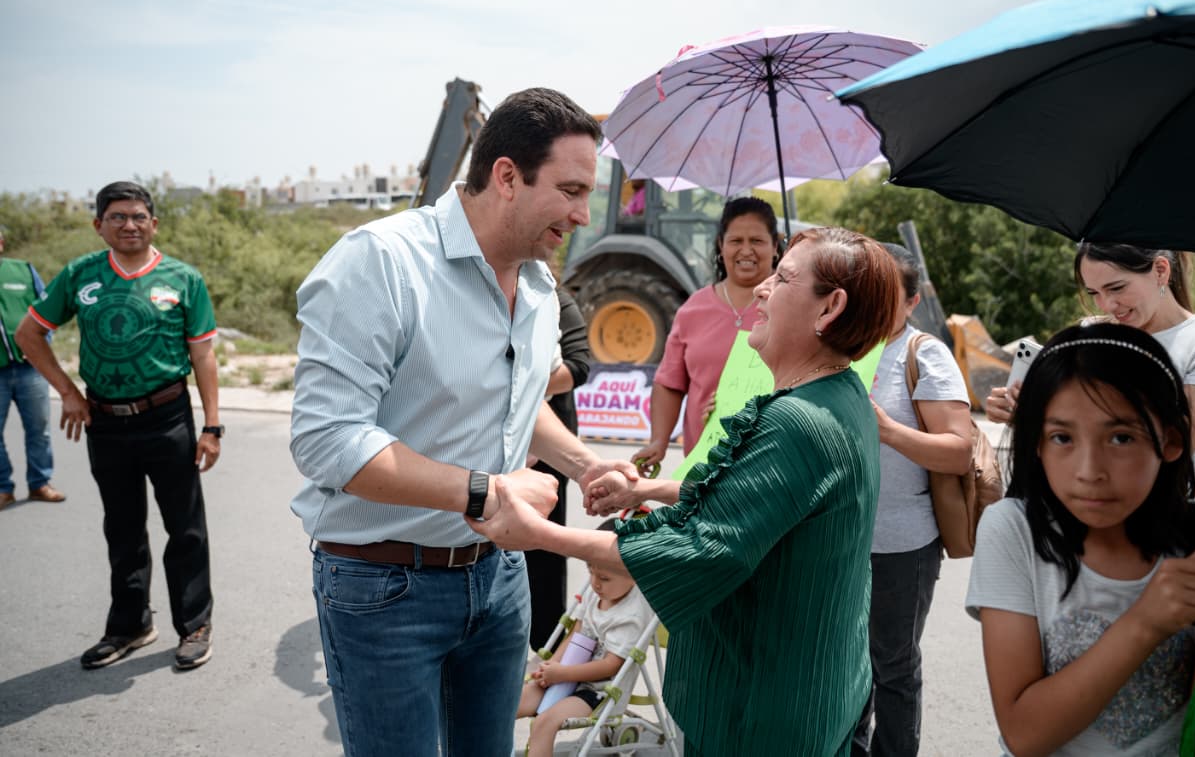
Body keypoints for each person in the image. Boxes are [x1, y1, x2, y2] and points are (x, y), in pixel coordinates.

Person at [290, 88, 636, 757]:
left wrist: (586, 465)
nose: (581, 214)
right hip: (385, 586)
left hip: (499, 580)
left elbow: (518, 399)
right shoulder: (381, 263)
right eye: (569, 190)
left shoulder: (535, 283)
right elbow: (328, 439)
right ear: (506, 175)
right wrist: (488, 491)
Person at [470, 227, 901, 757]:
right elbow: (746, 498)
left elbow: (699, 550)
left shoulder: (798, 421)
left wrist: (539, 533)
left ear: (829, 308)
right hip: (808, 688)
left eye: (783, 277)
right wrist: (645, 489)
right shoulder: (836, 394)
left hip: (763, 710)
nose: (762, 288)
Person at [965, 323, 1195, 756]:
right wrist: (1145, 623)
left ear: (1170, 441)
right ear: (1036, 443)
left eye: (1121, 437)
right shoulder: (1013, 530)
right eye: (1062, 438)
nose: (1089, 470)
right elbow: (1024, 734)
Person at [16, 181, 223, 671]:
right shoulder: (79, 275)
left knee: (185, 528)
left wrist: (212, 426)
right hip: (105, 421)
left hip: (168, 417)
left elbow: (203, 354)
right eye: (117, 217)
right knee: (122, 528)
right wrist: (67, 392)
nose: (129, 225)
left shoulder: (182, 278)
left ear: (153, 223)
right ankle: (130, 626)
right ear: (99, 225)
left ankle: (194, 625)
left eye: (138, 216)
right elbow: (29, 334)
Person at [852, 244, 972, 757]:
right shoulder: (842, 344)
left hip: (902, 543)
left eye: (887, 294)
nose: (873, 303)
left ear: (912, 300)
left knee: (892, 666)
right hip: (841, 538)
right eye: (865, 289)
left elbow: (958, 452)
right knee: (845, 667)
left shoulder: (924, 354)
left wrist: (888, 431)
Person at [985, 243, 1195, 457]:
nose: (1107, 305)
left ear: (1161, 270)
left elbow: (1174, 447)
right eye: (1094, 292)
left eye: (1117, 288)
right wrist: (1024, 411)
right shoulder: (1089, 331)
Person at [632, 196, 780, 469]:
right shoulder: (694, 309)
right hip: (704, 466)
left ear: (775, 245)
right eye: (736, 241)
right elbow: (670, 382)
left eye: (757, 241)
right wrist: (658, 441)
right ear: (721, 246)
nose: (746, 250)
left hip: (772, 462)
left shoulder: (791, 305)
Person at [517, 551, 654, 757]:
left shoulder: (631, 615)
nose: (595, 583)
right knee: (511, 701)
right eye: (591, 572)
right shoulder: (595, 593)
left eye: (605, 578)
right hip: (565, 674)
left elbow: (610, 665)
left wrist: (562, 673)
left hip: (597, 691)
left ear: (634, 574)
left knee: (544, 723)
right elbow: (576, 634)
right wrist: (551, 666)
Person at [527, 285, 592, 650]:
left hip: (550, 448)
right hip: (490, 456)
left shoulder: (554, 300)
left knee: (544, 548)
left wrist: (518, 384)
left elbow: (578, 365)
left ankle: (546, 643)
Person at [0, 228, 62, 510]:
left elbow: (47, 310)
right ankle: (3, 488)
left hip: (30, 369)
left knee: (39, 429)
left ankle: (40, 483)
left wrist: (39, 345)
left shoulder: (22, 270)